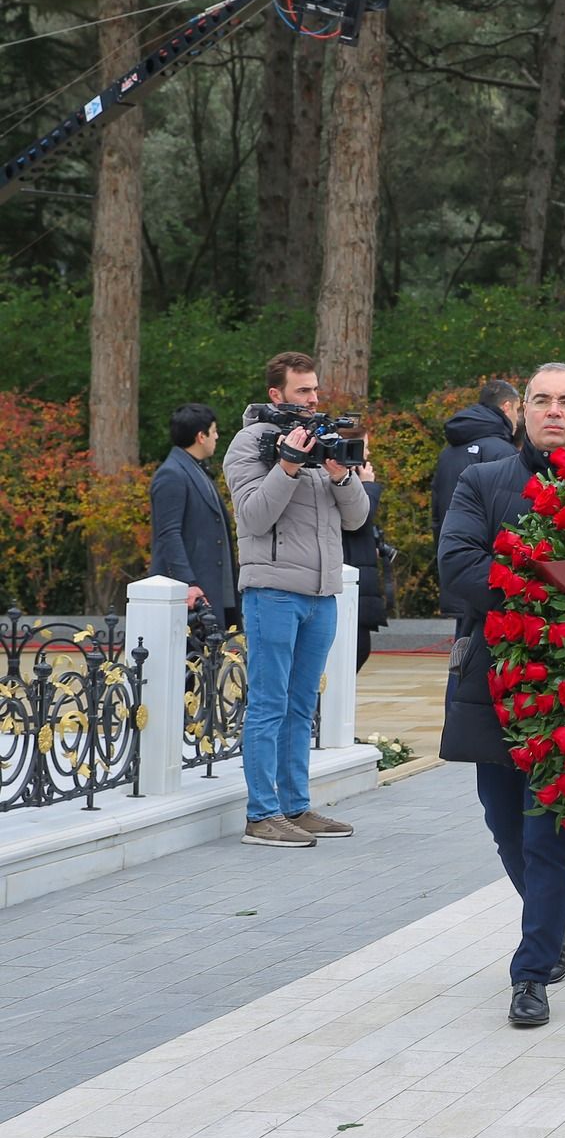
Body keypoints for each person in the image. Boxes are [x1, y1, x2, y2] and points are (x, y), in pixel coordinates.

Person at [439, 363, 565, 1028]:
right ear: (520, 412)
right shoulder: (484, 480)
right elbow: (458, 567)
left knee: (546, 831)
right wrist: (551, 582)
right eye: (540, 400)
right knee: (501, 819)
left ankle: (531, 972)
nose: (553, 411)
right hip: (494, 678)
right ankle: (552, 914)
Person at [223, 352, 370, 848]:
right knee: (268, 703)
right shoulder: (250, 444)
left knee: (303, 705)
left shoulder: (321, 440)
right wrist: (286, 464)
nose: (312, 399)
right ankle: (261, 816)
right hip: (273, 593)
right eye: (302, 391)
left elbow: (356, 519)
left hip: (321, 594)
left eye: (314, 390)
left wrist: (340, 475)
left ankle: (295, 807)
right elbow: (254, 516)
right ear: (276, 394)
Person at [150, 403, 237, 631]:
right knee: (188, 664)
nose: (216, 437)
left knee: (205, 664)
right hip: (190, 596)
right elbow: (169, 533)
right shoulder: (172, 474)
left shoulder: (194, 469)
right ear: (201, 436)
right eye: (214, 430)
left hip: (207, 591)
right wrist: (188, 583)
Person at [430, 380, 520, 552]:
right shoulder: (503, 452)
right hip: (489, 563)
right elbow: (511, 518)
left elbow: (436, 510)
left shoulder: (447, 453)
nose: (517, 417)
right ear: (507, 406)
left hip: (450, 555)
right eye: (517, 409)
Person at [336, 426, 393, 670]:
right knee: (352, 652)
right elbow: (357, 518)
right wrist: (368, 487)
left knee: (358, 649)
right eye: (365, 448)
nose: (368, 454)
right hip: (348, 578)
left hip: (360, 575)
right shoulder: (342, 482)